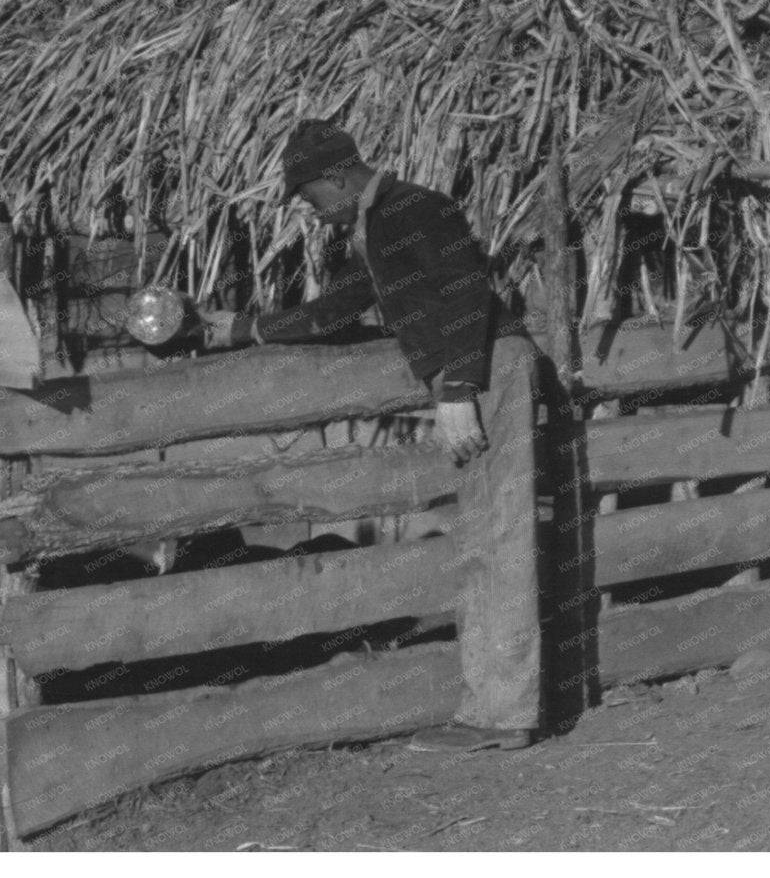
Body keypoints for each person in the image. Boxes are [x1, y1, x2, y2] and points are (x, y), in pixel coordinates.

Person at [198, 119, 543, 751]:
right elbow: (337, 306)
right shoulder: (378, 229)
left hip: (487, 367)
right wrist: (249, 329)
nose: (314, 213)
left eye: (311, 198)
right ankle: (497, 706)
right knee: (484, 536)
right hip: (474, 369)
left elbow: (468, 290)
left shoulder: (418, 208)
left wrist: (459, 387)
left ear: (337, 178)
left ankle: (503, 715)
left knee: (499, 536)